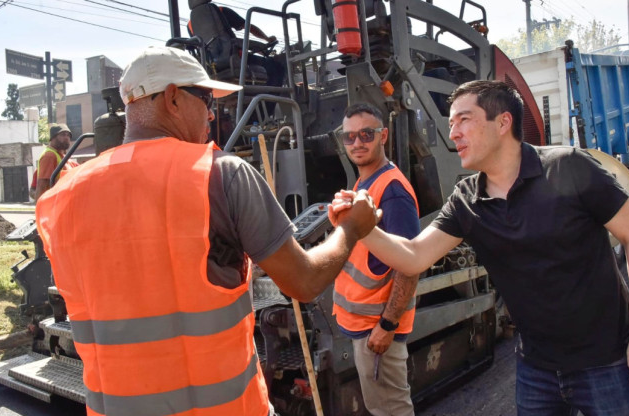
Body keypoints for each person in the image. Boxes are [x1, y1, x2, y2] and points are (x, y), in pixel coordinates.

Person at [35, 45, 379, 416]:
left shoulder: (61, 197)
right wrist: (351, 229)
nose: (213, 114)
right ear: (172, 98)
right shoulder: (220, 174)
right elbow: (305, 281)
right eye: (204, 98)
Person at [331, 80, 629, 415]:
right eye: (451, 124)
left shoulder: (570, 168)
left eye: (464, 120)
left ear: (503, 122)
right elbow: (414, 257)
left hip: (607, 363)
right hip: (537, 370)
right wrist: (360, 226)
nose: (454, 134)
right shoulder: (466, 200)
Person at [334, 103, 419, 416]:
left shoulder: (391, 190)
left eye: (366, 134)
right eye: (350, 136)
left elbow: (410, 265)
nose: (357, 143)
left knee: (390, 410)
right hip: (365, 324)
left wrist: (387, 325)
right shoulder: (363, 184)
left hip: (377, 327)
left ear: (383, 135)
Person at [187, 3, 284, 87]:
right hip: (237, 61)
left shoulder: (190, 25)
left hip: (214, 69)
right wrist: (266, 39)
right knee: (277, 68)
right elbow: (248, 27)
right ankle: (267, 106)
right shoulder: (220, 11)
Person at [34, 123, 77, 200]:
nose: (67, 138)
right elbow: (42, 186)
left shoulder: (65, 158)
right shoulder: (49, 156)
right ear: (53, 138)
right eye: (63, 135)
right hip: (55, 205)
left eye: (68, 135)